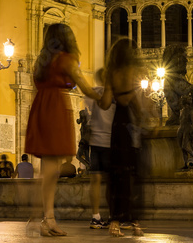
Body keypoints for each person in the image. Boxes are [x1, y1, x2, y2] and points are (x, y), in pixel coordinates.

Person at [24, 22, 103, 236]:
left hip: (41, 106)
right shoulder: (66, 60)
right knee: (51, 170)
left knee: (50, 168)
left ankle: (46, 218)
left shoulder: (42, 63)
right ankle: (40, 216)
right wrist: (106, 97)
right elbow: (85, 87)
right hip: (55, 108)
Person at [99, 37, 146, 238]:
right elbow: (136, 103)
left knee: (116, 174)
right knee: (130, 175)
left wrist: (98, 96)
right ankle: (135, 224)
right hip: (129, 125)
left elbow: (105, 103)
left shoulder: (112, 74)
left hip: (116, 126)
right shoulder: (133, 73)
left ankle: (114, 223)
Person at [84, 68, 115, 229]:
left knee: (95, 180)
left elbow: (88, 111)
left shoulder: (91, 94)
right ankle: (112, 216)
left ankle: (95, 216)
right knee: (110, 181)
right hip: (109, 142)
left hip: (95, 141)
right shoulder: (115, 95)